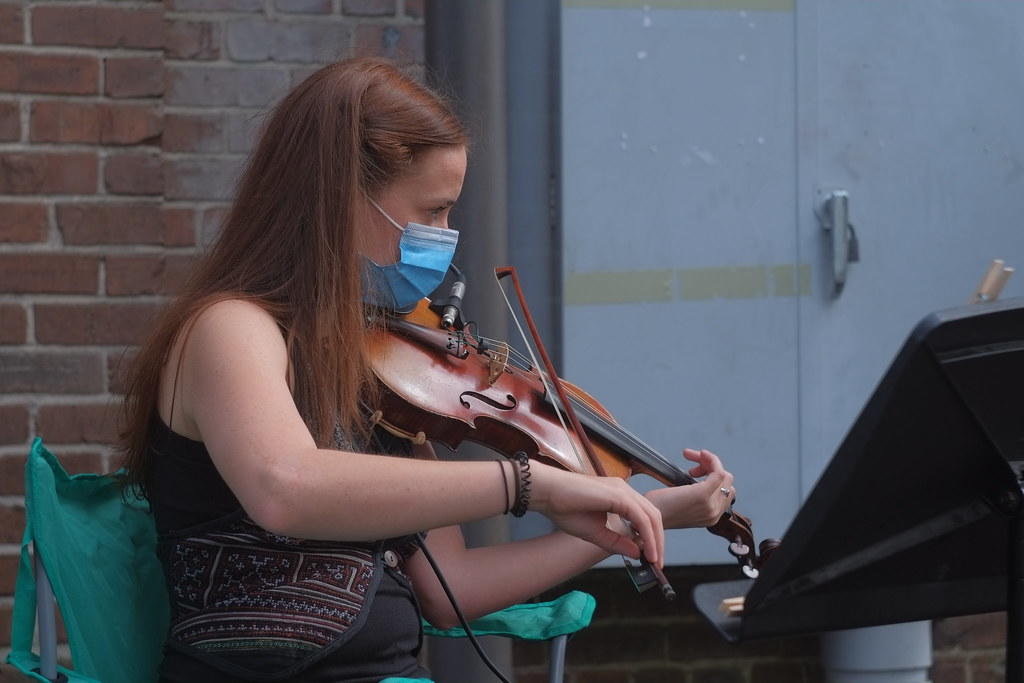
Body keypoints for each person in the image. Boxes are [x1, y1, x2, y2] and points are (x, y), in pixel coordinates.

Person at [118, 57, 736, 683]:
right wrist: (528, 485)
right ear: (339, 199)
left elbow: (451, 588)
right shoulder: (231, 327)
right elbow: (287, 488)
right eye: (434, 211)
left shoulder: (378, 367)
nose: (447, 238)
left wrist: (640, 516)